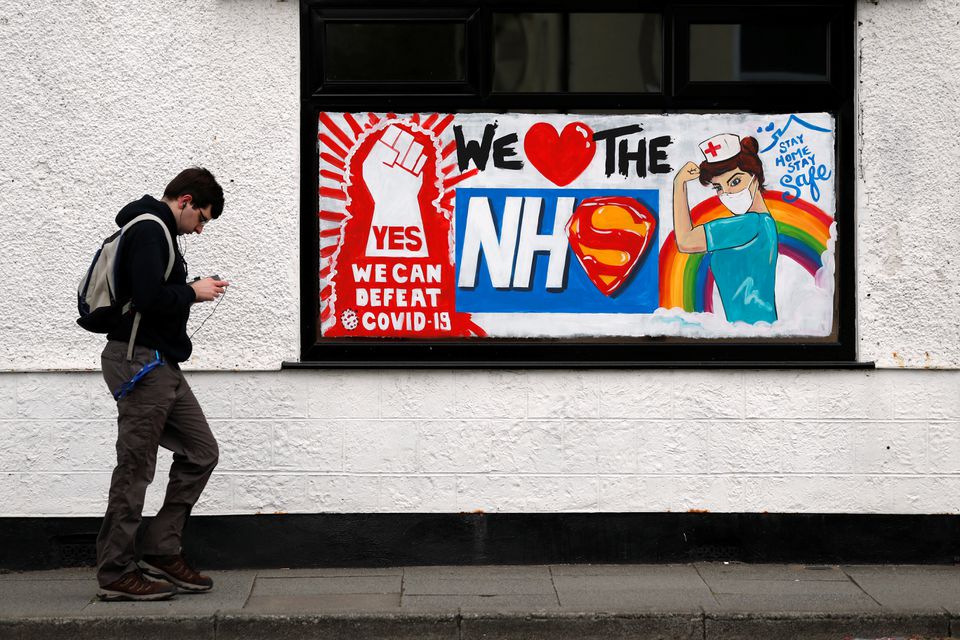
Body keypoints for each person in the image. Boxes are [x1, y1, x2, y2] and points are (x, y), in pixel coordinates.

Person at [96, 167, 229, 601]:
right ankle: (116, 570)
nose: (201, 228)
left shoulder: (161, 234)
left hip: (160, 362)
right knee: (136, 467)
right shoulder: (152, 229)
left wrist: (190, 290)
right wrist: (195, 291)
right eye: (203, 218)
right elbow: (150, 298)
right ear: (186, 201)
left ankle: (160, 546)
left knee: (201, 451)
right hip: (139, 362)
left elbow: (152, 295)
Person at [672, 133, 779, 324]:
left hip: (750, 328)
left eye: (735, 181)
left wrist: (679, 184)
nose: (727, 192)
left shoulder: (750, 224)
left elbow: (685, 241)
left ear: (755, 178)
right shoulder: (766, 223)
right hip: (755, 327)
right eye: (718, 187)